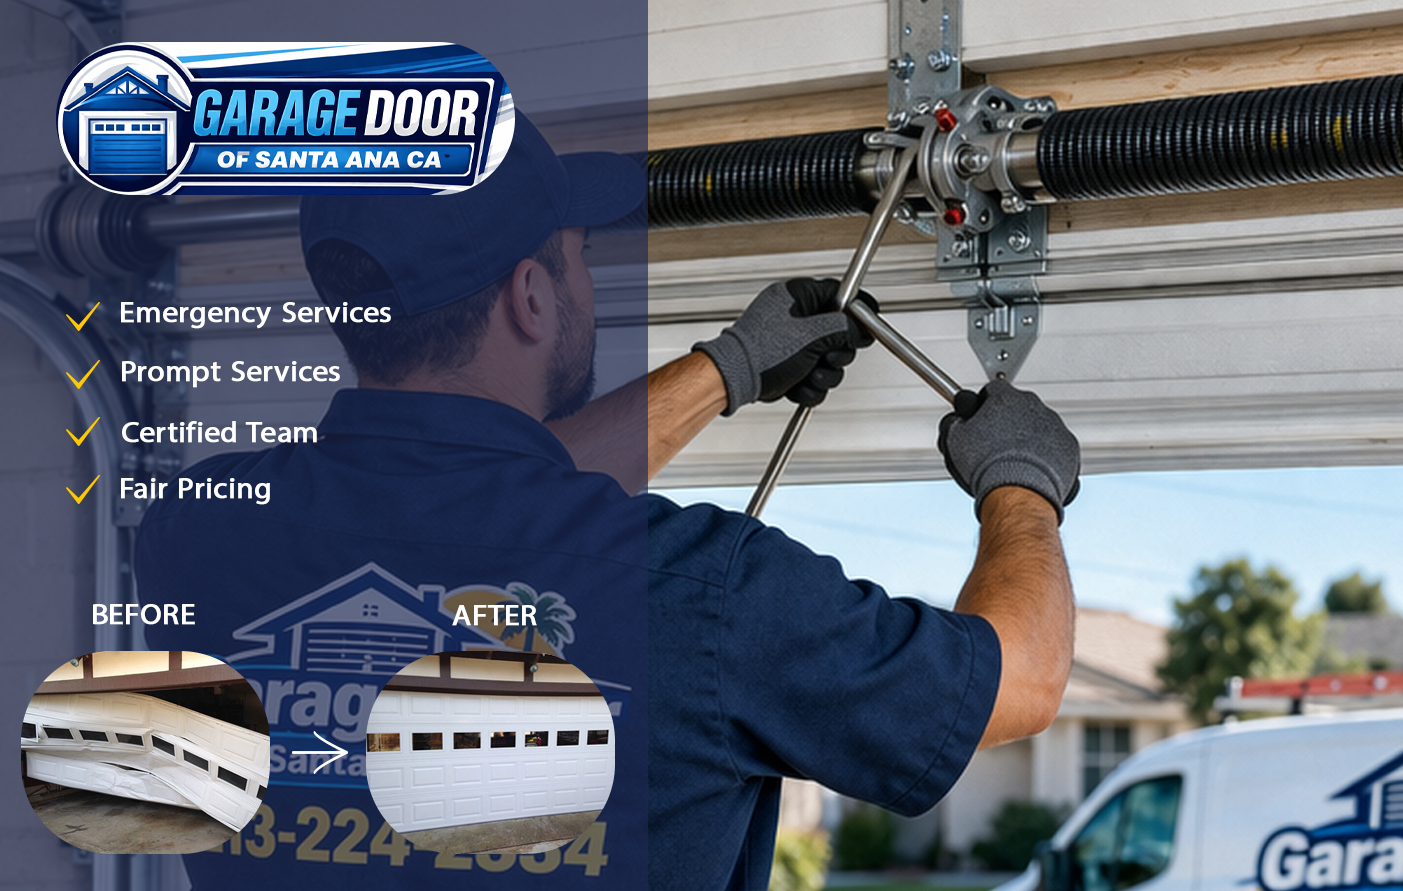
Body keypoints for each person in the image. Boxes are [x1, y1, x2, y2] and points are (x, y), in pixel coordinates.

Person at [135, 115, 1080, 891]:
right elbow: (1018, 680)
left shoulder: (192, 534)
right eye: (581, 259)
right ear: (533, 298)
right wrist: (1021, 484)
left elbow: (475, 507)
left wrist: (725, 371)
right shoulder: (711, 597)